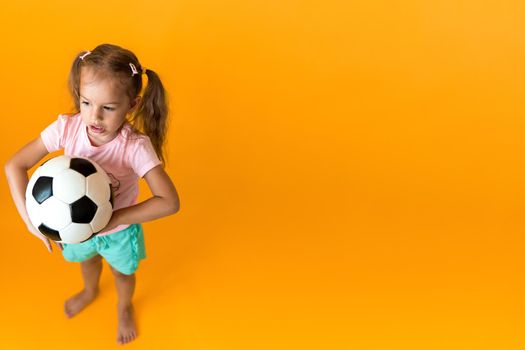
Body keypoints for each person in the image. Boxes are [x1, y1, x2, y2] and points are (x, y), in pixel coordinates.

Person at [4, 43, 180, 345]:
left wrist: (115, 219)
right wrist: (30, 221)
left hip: (119, 232)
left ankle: (124, 305)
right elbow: (14, 165)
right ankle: (90, 290)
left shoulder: (133, 146)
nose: (94, 116)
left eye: (108, 108)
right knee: (88, 261)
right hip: (74, 231)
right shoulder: (67, 128)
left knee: (122, 272)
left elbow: (170, 202)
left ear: (132, 105)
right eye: (86, 103)